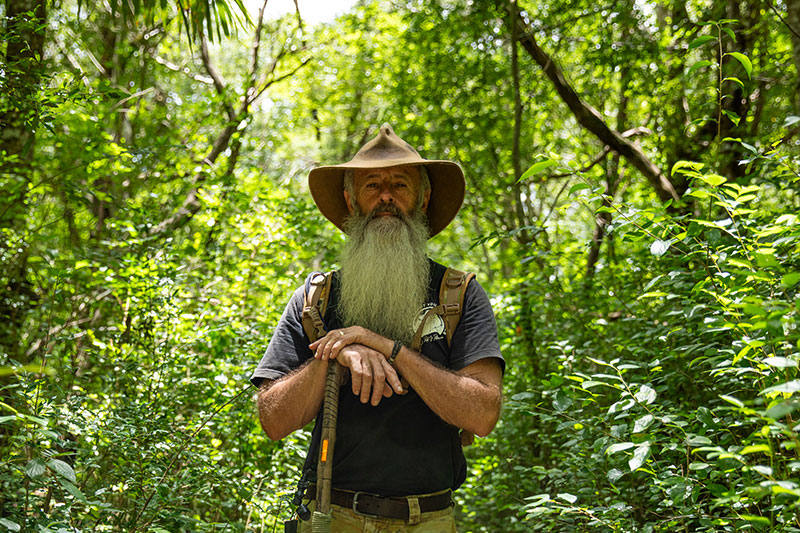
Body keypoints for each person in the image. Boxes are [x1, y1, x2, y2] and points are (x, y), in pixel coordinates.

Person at [251, 124, 504, 532]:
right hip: (331, 517)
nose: (386, 197)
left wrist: (389, 349)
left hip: (428, 520)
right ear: (350, 201)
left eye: (400, 185)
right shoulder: (315, 298)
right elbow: (273, 420)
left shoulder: (459, 295)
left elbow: (482, 415)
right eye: (372, 185)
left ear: (423, 199)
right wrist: (334, 354)